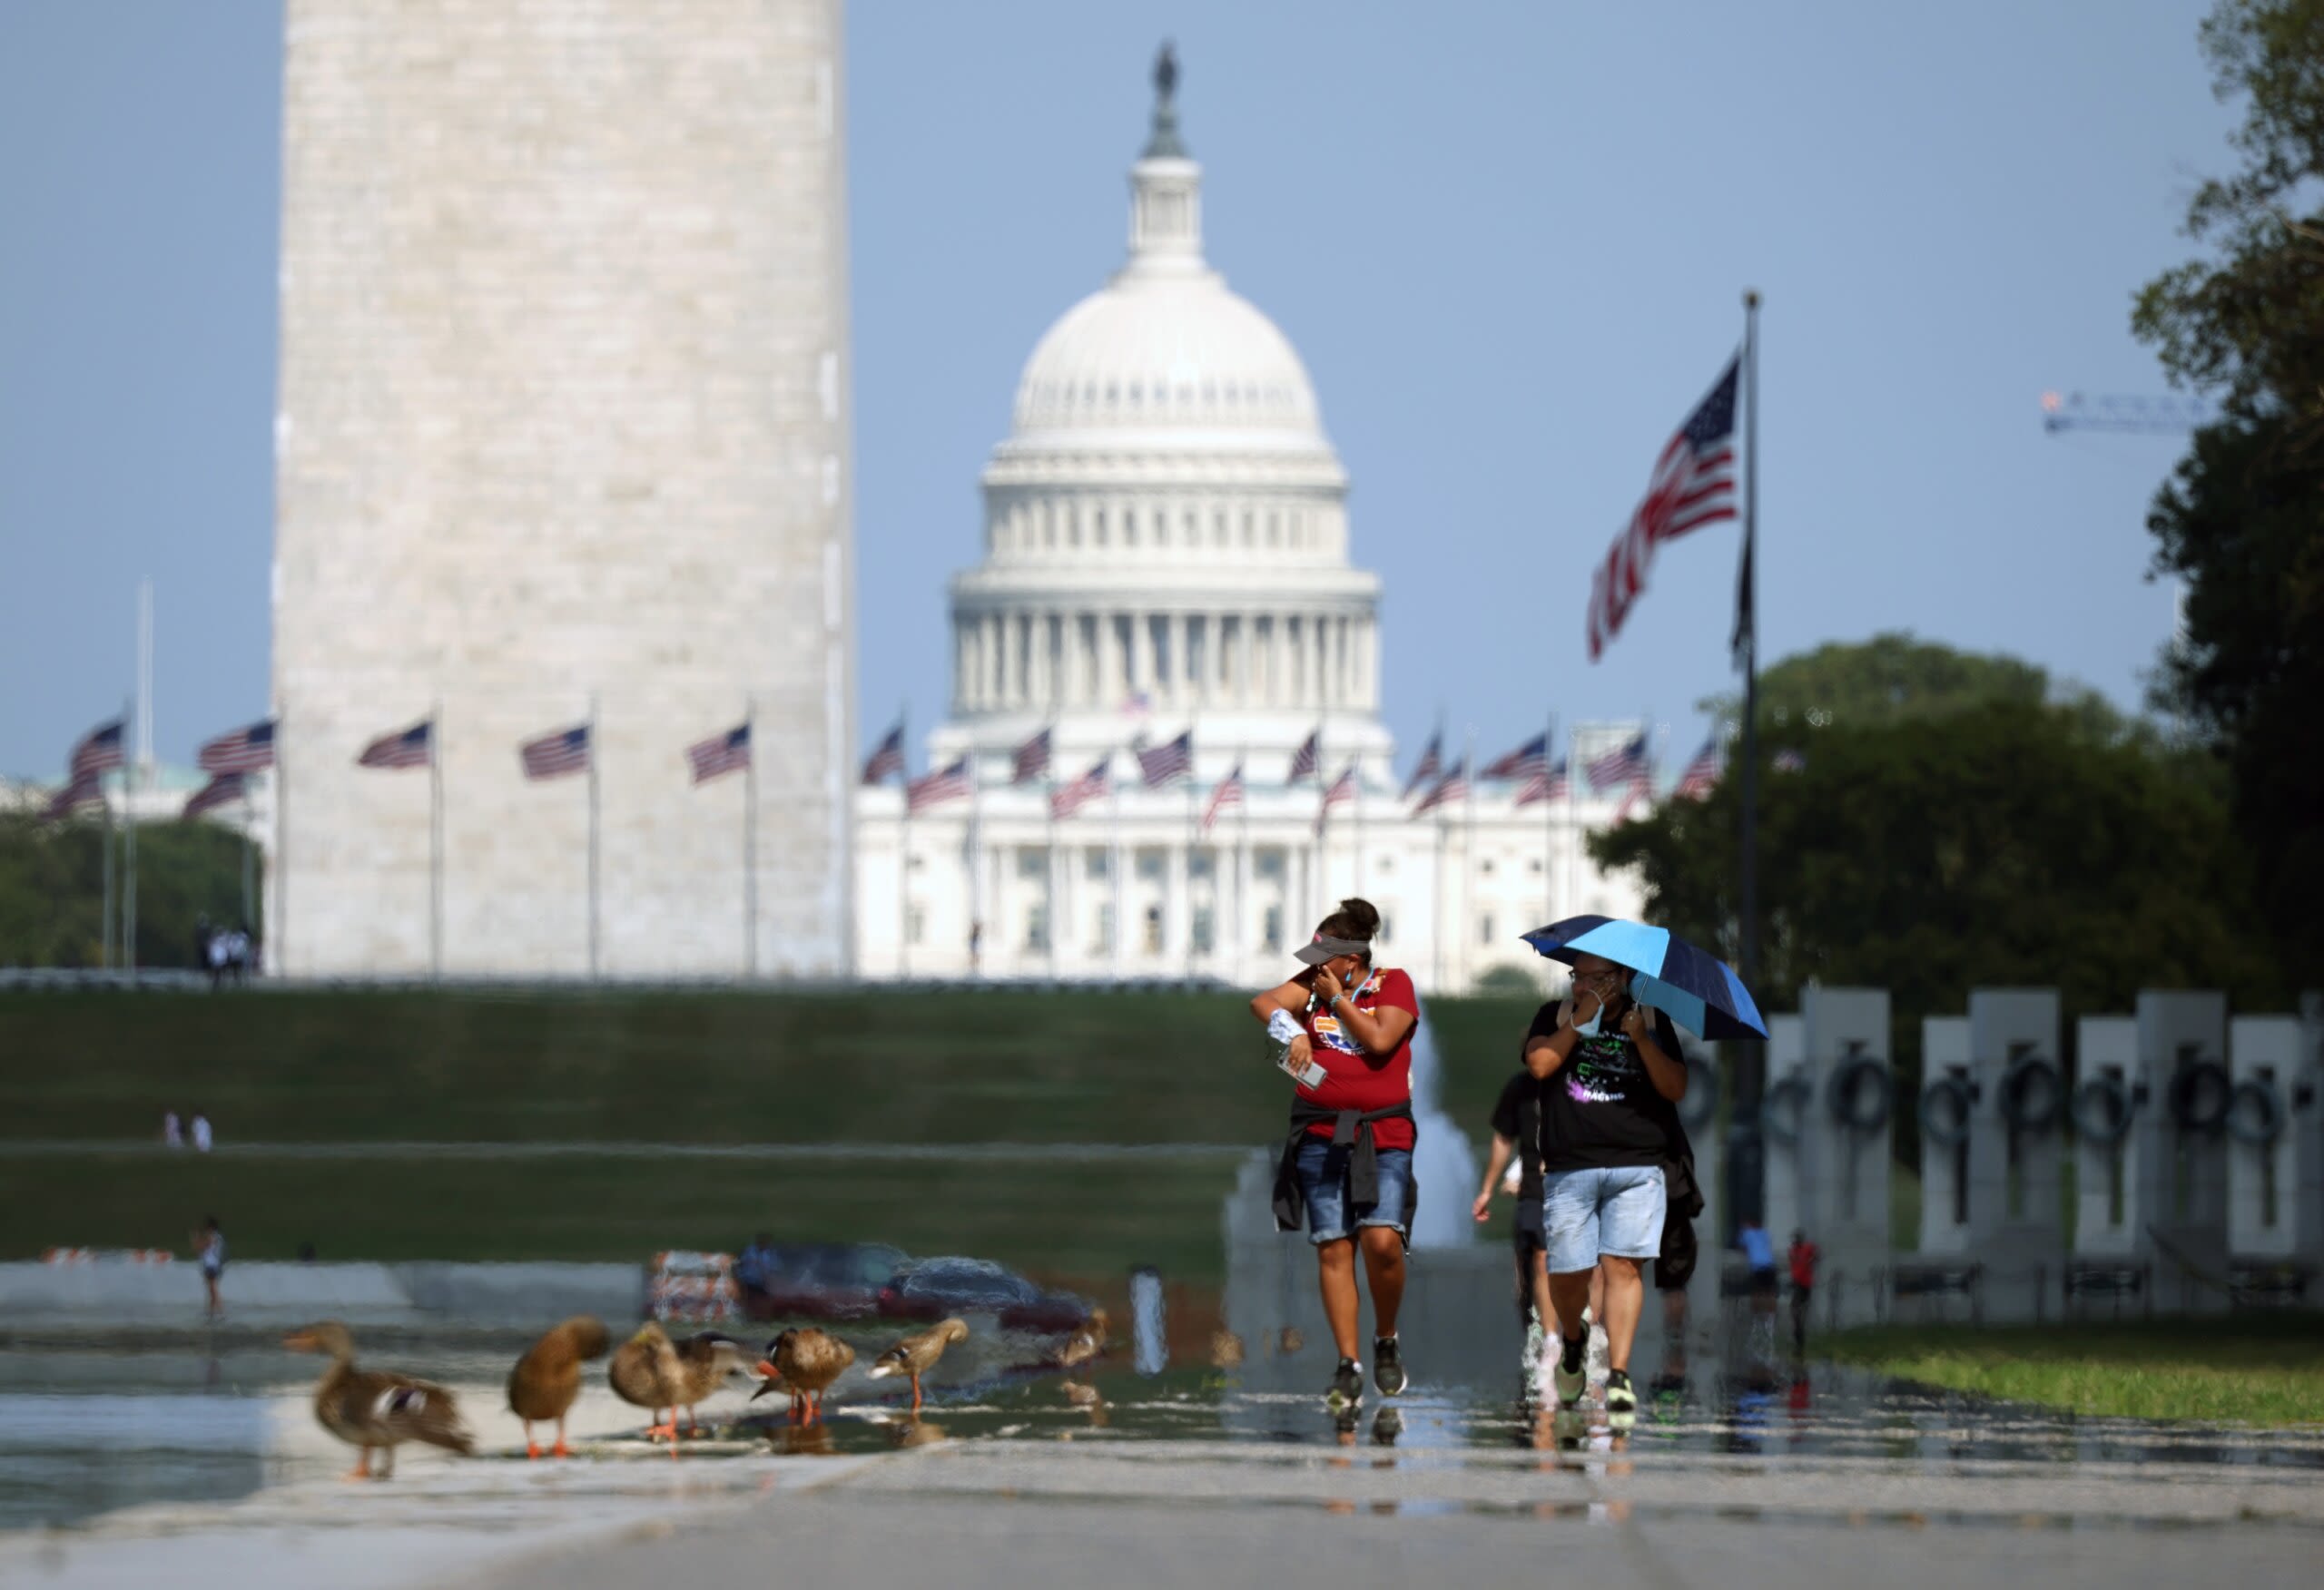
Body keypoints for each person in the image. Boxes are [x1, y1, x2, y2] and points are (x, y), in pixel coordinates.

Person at [1254, 898, 1421, 1411]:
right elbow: (1263, 1004)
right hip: (1320, 1132)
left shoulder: (1392, 983)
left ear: (1351, 959)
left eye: (1322, 958)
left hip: (1382, 1134)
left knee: (1383, 1240)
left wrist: (1338, 1002)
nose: (1313, 967)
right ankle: (1347, 1363)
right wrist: (1296, 1030)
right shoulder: (1312, 985)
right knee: (1332, 1245)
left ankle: (1385, 1337)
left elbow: (1378, 1039)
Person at [1523, 951, 1689, 1418]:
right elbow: (1538, 1065)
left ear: (1624, 979)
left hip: (1637, 1165)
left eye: (1598, 978)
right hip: (1570, 1166)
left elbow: (1676, 1087)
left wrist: (1642, 1041)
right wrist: (1579, 1022)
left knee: (1624, 1268)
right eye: (1579, 977)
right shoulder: (1554, 1015)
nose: (1585, 986)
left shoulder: (1652, 1020)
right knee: (1568, 1272)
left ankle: (1618, 1373)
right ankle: (1574, 1344)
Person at [1474, 1065, 1555, 1374]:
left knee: (1546, 1259)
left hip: (1569, 1185)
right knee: (1527, 1265)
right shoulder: (1520, 1087)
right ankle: (1535, 1329)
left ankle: (1558, 1338)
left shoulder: (1576, 1081)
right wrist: (1490, 1186)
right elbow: (1504, 1137)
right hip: (1532, 1188)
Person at [1738, 1217, 1780, 1359]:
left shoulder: (1746, 1233)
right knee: (1770, 1292)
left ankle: (1757, 1319)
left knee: (1757, 1292)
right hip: (1769, 1265)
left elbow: (1743, 1248)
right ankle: (1771, 1319)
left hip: (1757, 1266)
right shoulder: (1764, 1233)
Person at [1787, 1228, 1820, 1352]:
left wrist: (1811, 1261)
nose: (1794, 1241)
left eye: (1797, 1238)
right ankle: (1798, 1334)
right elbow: (1793, 1265)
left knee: (1799, 1309)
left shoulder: (1808, 1247)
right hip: (1796, 1283)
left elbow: (1817, 1255)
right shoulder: (1792, 1251)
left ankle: (1799, 1334)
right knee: (1795, 1309)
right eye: (1794, 1239)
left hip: (1805, 1283)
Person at [193, 1216, 226, 1318]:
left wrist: (195, 1238)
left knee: (213, 1289)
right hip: (214, 1265)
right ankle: (211, 1312)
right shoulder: (218, 1237)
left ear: (210, 1227)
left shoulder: (212, 1237)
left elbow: (199, 1248)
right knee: (211, 1290)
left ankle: (220, 1311)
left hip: (211, 1266)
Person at [735, 1232, 778, 1304]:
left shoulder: (770, 1253)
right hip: (748, 1280)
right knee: (748, 1299)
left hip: (762, 1282)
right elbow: (739, 1263)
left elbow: (774, 1268)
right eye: (763, 1242)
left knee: (765, 1299)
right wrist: (739, 1277)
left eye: (767, 1242)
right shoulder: (749, 1251)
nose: (765, 1244)